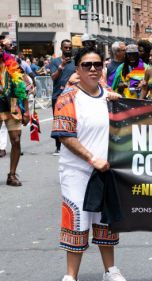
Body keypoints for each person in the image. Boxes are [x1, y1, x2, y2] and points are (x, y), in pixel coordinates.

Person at [51, 47, 126, 281]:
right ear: (78, 69)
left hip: (106, 169)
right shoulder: (68, 97)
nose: (93, 69)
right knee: (77, 220)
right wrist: (91, 158)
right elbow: (65, 135)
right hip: (78, 170)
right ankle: (71, 276)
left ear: (103, 67)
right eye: (86, 65)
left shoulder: (109, 94)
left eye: (97, 64)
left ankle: (110, 270)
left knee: (105, 221)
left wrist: (120, 104)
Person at [0, 46, 30, 186]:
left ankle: (12, 175)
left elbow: (22, 86)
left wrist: (27, 111)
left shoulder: (12, 63)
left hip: (12, 103)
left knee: (16, 140)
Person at [50, 39, 76, 156]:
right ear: (61, 48)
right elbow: (53, 77)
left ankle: (73, 145)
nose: (68, 50)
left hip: (74, 96)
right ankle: (58, 146)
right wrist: (62, 66)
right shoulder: (55, 61)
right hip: (57, 96)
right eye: (66, 48)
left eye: (70, 47)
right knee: (58, 121)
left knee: (74, 120)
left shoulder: (76, 62)